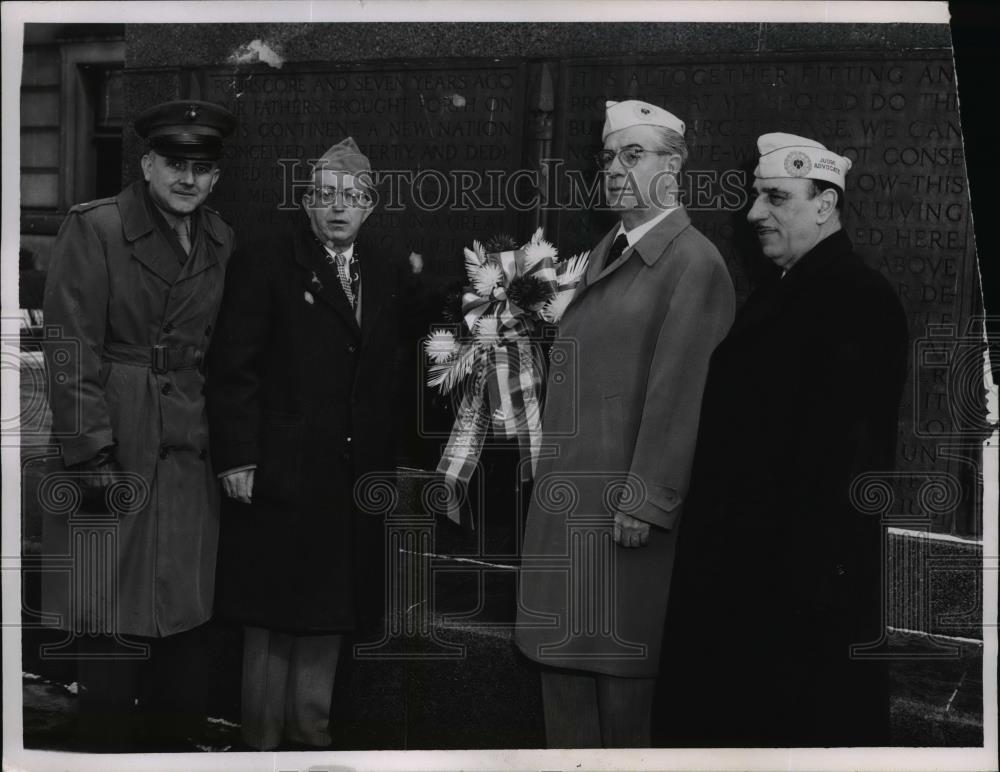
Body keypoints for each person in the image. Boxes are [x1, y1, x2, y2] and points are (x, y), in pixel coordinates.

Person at [656, 133, 909, 747]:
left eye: (776, 198)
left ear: (826, 204)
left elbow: (843, 468)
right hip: (754, 585)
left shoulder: (857, 299)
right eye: (756, 197)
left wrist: (801, 594)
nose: (754, 213)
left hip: (792, 601)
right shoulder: (792, 290)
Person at [513, 99, 736, 747]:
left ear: (675, 164)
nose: (614, 169)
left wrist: (647, 500)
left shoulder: (693, 264)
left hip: (624, 524)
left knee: (620, 702)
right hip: (574, 514)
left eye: (633, 156)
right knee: (566, 688)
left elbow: (681, 391)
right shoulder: (611, 250)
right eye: (609, 157)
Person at [41, 99, 237, 749]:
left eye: (202, 167)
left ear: (215, 176)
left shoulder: (219, 237)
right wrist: (91, 452)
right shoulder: (95, 229)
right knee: (110, 614)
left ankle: (172, 749)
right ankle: (107, 750)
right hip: (118, 435)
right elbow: (71, 348)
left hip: (187, 438)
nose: (188, 179)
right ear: (147, 163)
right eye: (175, 163)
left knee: (181, 610)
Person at [206, 137, 404, 750]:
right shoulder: (267, 261)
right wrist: (238, 455)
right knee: (272, 615)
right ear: (308, 203)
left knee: (328, 610)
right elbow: (233, 367)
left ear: (370, 207)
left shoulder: (389, 269)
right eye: (325, 196)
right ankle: (261, 748)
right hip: (280, 471)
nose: (338, 208)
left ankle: (310, 739)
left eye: (352, 198)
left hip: (349, 476)